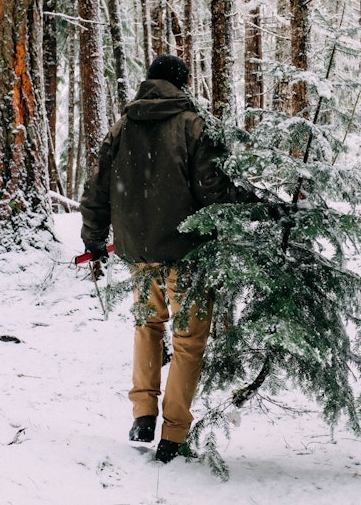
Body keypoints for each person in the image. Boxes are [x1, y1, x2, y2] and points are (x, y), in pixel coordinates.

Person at [80, 54, 244, 464]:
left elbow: (97, 190)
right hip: (187, 253)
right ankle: (173, 433)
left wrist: (95, 240)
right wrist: (249, 207)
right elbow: (213, 191)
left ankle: (143, 414)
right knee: (188, 342)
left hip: (139, 253)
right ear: (182, 84)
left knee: (147, 328)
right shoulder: (192, 125)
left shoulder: (122, 127)